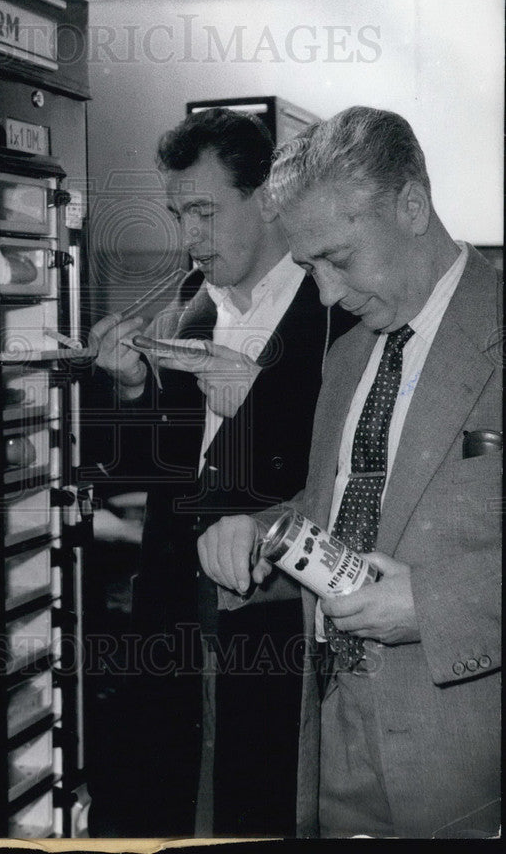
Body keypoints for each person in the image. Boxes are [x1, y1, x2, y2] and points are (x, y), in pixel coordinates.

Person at [197, 106, 502, 839]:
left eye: (336, 258)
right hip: (332, 749)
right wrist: (260, 531)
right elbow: (329, 510)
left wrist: (434, 604)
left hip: (470, 765)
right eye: (307, 269)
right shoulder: (346, 360)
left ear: (410, 205)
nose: (326, 295)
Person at [81, 107, 355, 837]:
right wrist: (133, 388)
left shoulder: (335, 311)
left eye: (203, 211)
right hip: (175, 614)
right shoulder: (187, 311)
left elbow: (348, 469)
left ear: (266, 198)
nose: (189, 237)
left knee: (258, 804)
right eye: (179, 215)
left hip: (275, 622)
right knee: (166, 800)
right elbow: (165, 471)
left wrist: (254, 404)